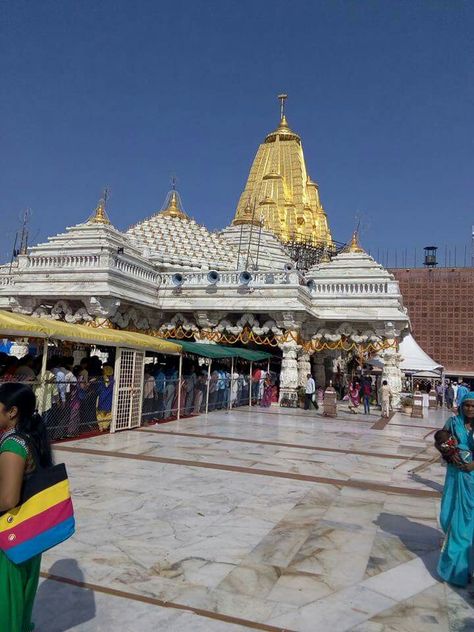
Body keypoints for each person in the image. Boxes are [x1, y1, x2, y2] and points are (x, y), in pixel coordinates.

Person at [0, 382, 53, 630]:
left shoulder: (12, 445)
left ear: (11, 412)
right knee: (18, 598)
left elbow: (8, 499)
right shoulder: (28, 437)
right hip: (27, 531)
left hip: (8, 535)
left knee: (6, 601)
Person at [437, 391, 474, 587]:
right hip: (454, 475)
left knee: (465, 522)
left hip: (472, 478)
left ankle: (460, 568)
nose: (470, 409)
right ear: (461, 405)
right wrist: (450, 455)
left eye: (473, 406)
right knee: (447, 514)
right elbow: (441, 441)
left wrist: (472, 465)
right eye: (467, 405)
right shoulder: (453, 423)